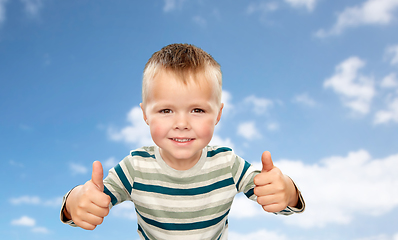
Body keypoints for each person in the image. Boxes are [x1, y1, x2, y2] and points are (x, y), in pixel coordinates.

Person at [60, 43, 305, 239]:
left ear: (218, 114)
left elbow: (277, 200)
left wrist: (287, 190)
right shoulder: (135, 168)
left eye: (197, 110)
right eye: (166, 110)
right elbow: (89, 202)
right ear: (145, 114)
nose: (182, 123)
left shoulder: (228, 164)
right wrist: (76, 201)